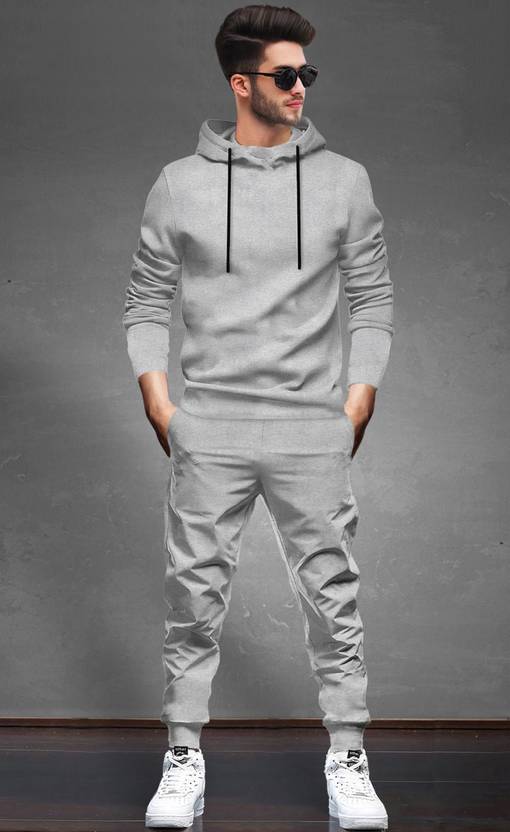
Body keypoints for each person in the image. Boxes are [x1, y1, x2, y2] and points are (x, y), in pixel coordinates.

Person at [122, 5, 393, 829]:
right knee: (192, 597)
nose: (301, 86)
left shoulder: (345, 180)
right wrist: (158, 398)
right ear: (242, 84)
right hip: (211, 427)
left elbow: (373, 296)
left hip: (311, 425)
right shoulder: (180, 183)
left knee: (334, 597)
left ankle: (349, 756)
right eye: (286, 74)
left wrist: (359, 397)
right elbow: (146, 297)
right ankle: (182, 756)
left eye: (307, 73)